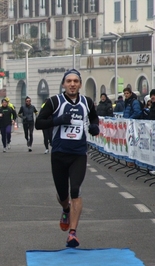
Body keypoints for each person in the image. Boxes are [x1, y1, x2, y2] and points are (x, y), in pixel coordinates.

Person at [35, 69, 99, 248]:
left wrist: (95, 127)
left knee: (76, 189)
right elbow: (38, 123)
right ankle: (65, 209)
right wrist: (58, 120)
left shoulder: (87, 102)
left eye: (76, 81)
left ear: (80, 84)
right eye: (69, 81)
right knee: (63, 195)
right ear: (64, 84)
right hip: (59, 154)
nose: (72, 84)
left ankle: (73, 233)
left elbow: (94, 118)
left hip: (79, 154)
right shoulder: (54, 102)